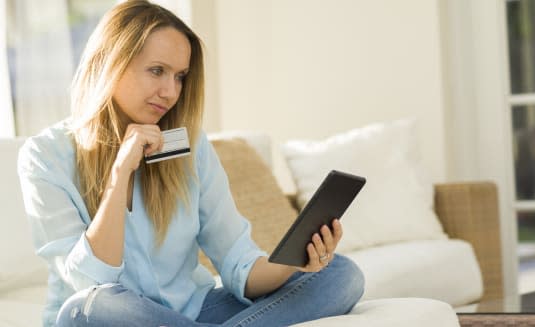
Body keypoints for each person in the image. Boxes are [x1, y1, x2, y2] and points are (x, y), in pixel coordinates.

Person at [16, 1, 364, 326]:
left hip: (190, 311)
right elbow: (91, 281)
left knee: (341, 275)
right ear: (111, 63)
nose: (170, 91)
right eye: (157, 71)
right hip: (107, 314)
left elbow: (238, 263)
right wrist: (120, 174)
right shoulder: (45, 156)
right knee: (95, 305)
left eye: (180, 76)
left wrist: (294, 263)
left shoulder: (189, 145)